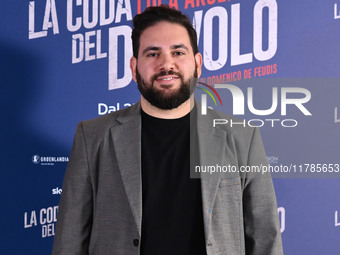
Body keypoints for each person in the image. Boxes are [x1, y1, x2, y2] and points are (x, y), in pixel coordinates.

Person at [52, 5, 283, 255]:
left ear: (197, 64)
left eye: (178, 52)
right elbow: (70, 240)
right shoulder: (93, 136)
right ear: (133, 67)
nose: (166, 64)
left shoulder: (242, 138)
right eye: (152, 54)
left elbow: (265, 239)